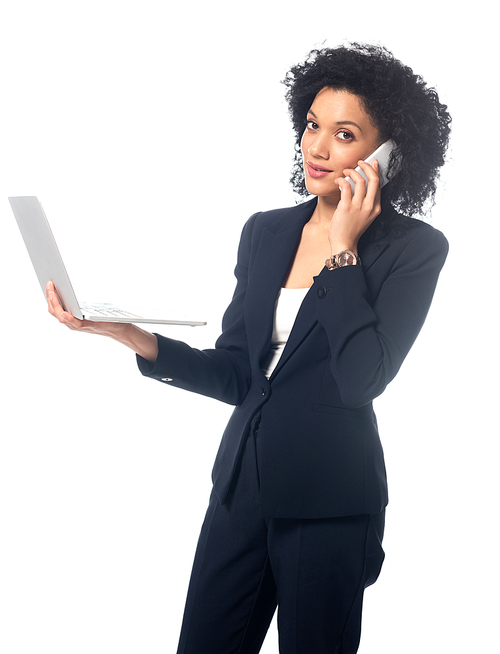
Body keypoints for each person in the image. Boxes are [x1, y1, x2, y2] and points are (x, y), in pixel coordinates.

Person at [47, 43, 451, 653]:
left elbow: (362, 377)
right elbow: (239, 374)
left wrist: (343, 248)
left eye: (344, 134)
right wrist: (130, 336)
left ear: (388, 157)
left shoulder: (413, 248)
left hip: (329, 502)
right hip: (241, 489)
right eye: (313, 125)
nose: (316, 148)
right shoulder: (266, 231)